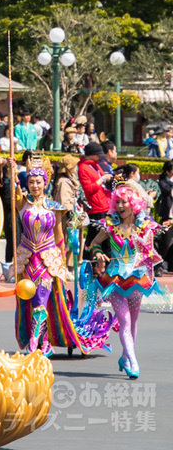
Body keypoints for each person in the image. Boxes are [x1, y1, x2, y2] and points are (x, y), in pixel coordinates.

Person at [14, 155, 115, 355]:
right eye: (31, 182)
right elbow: (14, 193)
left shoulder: (54, 207)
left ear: (45, 183)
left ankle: (35, 343)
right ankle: (43, 341)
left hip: (47, 260)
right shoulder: (22, 204)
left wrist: (60, 262)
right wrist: (13, 174)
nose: (35, 186)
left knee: (41, 301)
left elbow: (59, 237)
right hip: (27, 260)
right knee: (29, 301)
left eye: (38, 182)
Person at [89, 184, 170, 378]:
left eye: (124, 201)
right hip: (115, 281)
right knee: (124, 320)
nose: (120, 206)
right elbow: (94, 244)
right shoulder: (110, 226)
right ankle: (133, 362)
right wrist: (99, 254)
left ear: (133, 203)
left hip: (137, 280)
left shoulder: (144, 227)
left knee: (133, 322)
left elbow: (150, 251)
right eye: (117, 202)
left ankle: (125, 357)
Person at [77, 142, 112, 222]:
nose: (100, 157)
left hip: (105, 204)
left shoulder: (96, 165)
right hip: (96, 208)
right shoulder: (83, 168)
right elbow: (88, 189)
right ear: (92, 155)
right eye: (98, 155)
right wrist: (102, 179)